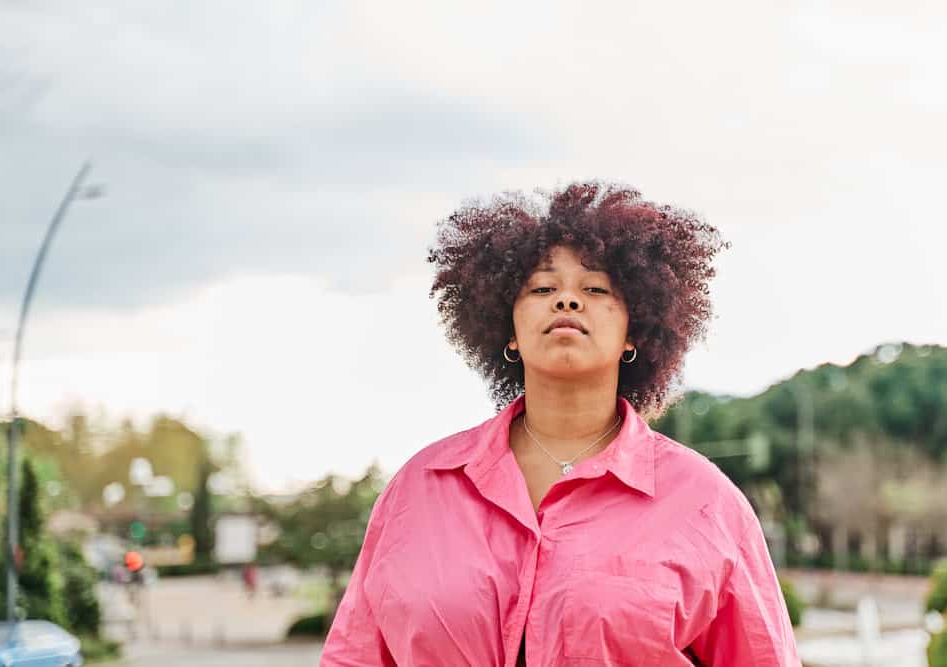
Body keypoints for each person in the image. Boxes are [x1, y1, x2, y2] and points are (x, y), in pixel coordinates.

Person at [320, 182, 800, 666]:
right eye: (543, 288)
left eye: (594, 289)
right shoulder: (418, 490)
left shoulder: (705, 503)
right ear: (506, 327)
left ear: (635, 331)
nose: (567, 301)